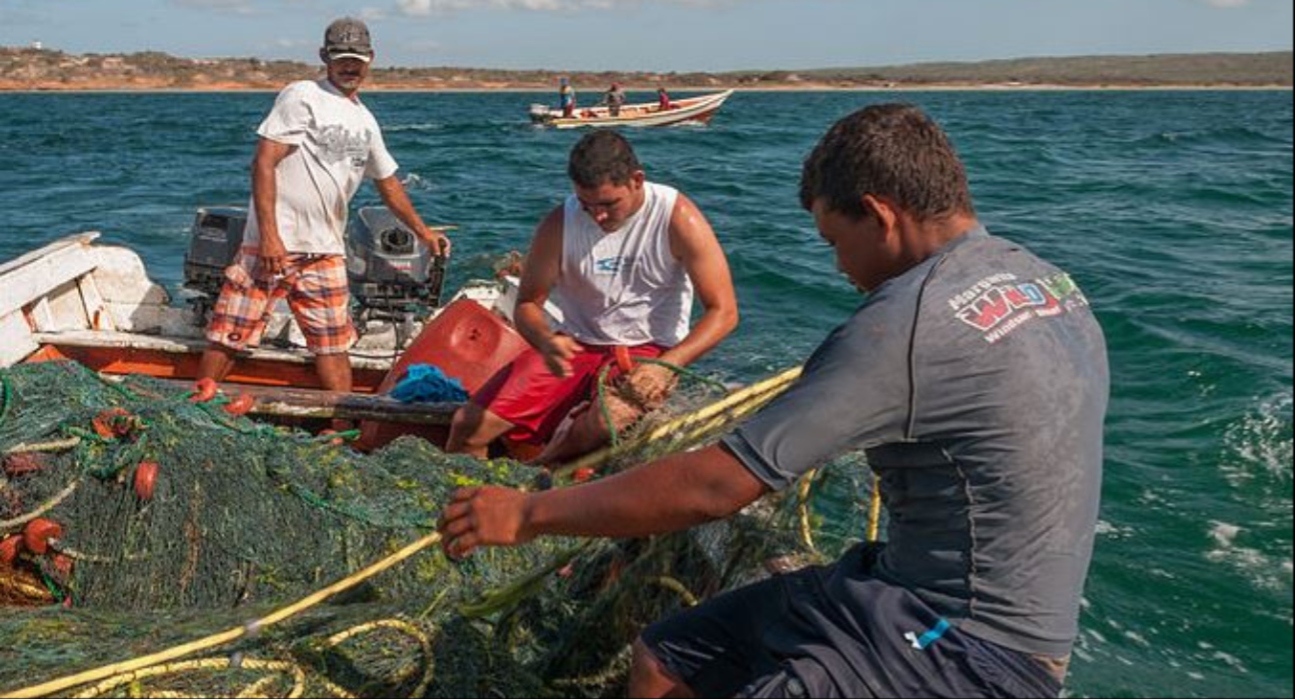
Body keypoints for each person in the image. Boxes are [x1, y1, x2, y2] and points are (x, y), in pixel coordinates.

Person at [437, 103, 1109, 698]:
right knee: (665, 658)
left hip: (966, 645)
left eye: (834, 242)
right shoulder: (1040, 278)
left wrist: (528, 512)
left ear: (878, 215)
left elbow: (718, 485)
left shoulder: (901, 324)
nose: (838, 267)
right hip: (893, 585)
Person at [445, 130, 738, 464]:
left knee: (602, 422)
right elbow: (527, 303)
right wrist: (544, 341)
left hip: (648, 349)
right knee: (468, 425)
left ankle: (536, 476)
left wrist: (668, 366)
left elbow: (724, 312)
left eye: (608, 204)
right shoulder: (559, 224)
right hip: (576, 345)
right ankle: (465, 504)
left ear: (637, 180)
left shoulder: (678, 217)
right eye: (586, 206)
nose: (597, 217)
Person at [196, 17, 450, 396]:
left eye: (357, 59)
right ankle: (197, 403)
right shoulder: (302, 95)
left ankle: (341, 430)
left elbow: (388, 184)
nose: (350, 66)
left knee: (333, 345)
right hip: (273, 245)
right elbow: (263, 162)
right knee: (230, 335)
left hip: (326, 250)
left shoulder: (364, 119)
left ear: (371, 59)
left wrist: (424, 233)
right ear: (324, 57)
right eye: (342, 58)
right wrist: (269, 237)